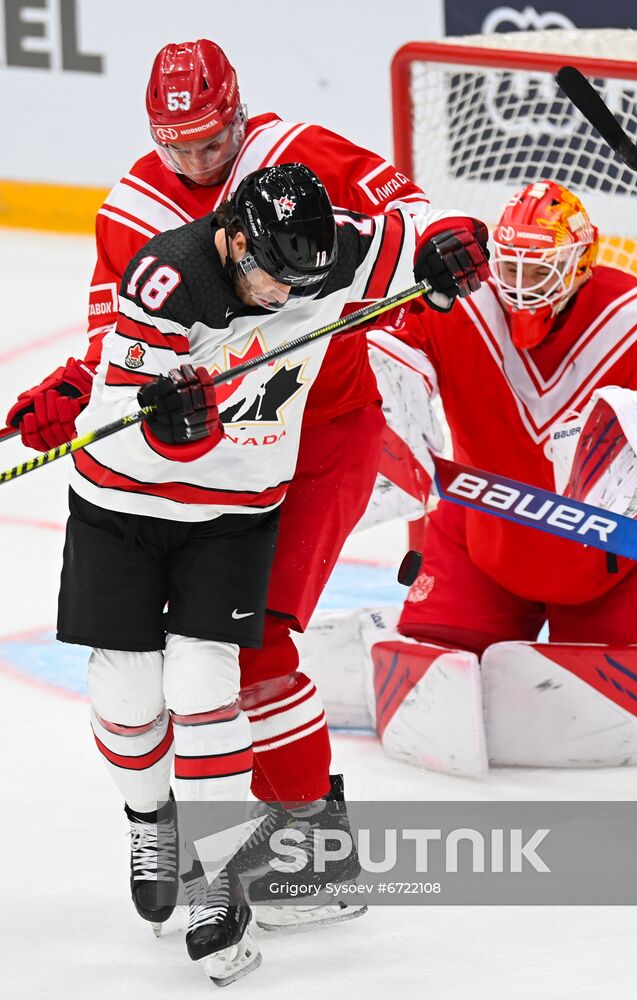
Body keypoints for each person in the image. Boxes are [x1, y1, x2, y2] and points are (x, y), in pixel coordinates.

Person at [5, 39, 435, 932]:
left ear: (238, 115)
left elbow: (414, 219)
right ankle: (242, 825)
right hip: (223, 449)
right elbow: (114, 337)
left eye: (212, 143)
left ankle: (316, 845)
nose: (198, 162)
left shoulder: (299, 155)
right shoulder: (132, 207)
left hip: (321, 439)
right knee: (169, 663)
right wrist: (77, 387)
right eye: (178, 147)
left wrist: (449, 243)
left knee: (250, 649)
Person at [56, 161, 489, 983]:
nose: (279, 296)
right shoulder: (164, 280)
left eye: (300, 282)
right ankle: (151, 818)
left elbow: (419, 232)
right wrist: (165, 424)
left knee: (204, 682)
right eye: (264, 275)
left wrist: (453, 246)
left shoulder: (329, 254)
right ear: (229, 237)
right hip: (124, 508)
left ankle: (218, 880)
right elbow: (115, 411)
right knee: (125, 691)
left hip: (232, 515)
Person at [368, 179, 637, 655]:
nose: (522, 285)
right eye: (511, 267)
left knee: (615, 716)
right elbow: (389, 354)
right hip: (479, 537)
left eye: (540, 270)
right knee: (437, 671)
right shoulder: (456, 303)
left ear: (580, 262)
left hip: (619, 561)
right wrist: (391, 411)